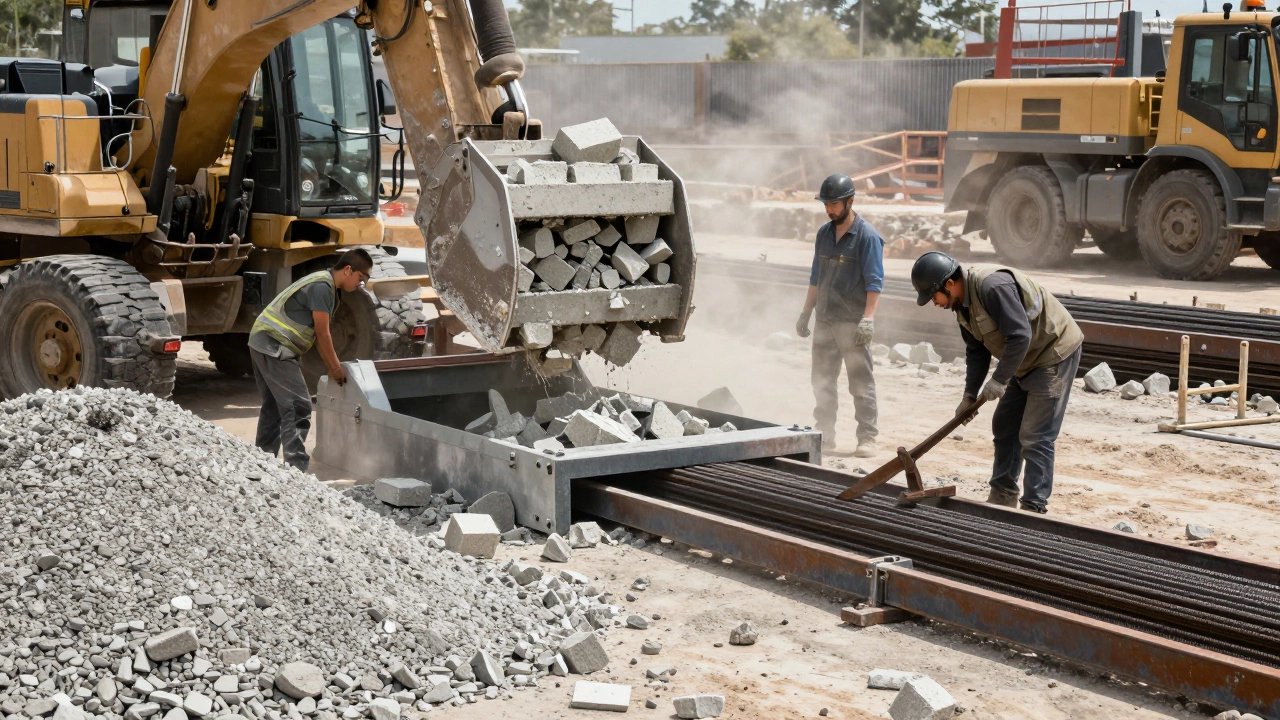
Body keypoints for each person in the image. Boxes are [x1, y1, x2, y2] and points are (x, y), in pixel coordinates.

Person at [910, 251, 1084, 513]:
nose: (935, 303)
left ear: (949, 284)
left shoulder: (992, 287)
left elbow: (1020, 336)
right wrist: (969, 395)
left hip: (1052, 353)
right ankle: (1002, 496)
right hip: (1023, 359)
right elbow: (977, 351)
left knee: (1035, 435)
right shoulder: (961, 307)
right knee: (1004, 425)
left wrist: (999, 380)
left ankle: (1033, 507)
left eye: (934, 296)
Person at [247, 248, 372, 471]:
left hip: (262, 341)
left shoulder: (324, 283)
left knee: (275, 406)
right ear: (347, 270)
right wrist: (335, 368)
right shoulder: (323, 287)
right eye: (360, 278)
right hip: (273, 344)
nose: (360, 284)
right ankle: (296, 469)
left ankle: (261, 463)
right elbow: (323, 333)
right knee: (298, 405)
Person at [795, 173, 884, 458]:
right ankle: (825, 435)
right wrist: (806, 313)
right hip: (824, 320)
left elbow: (874, 283)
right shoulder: (824, 234)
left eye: (834, 204)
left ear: (850, 200)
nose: (829, 209)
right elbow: (815, 278)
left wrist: (868, 320)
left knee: (860, 382)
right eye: (826, 204)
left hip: (851, 323)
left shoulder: (867, 237)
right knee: (821, 380)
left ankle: (867, 438)